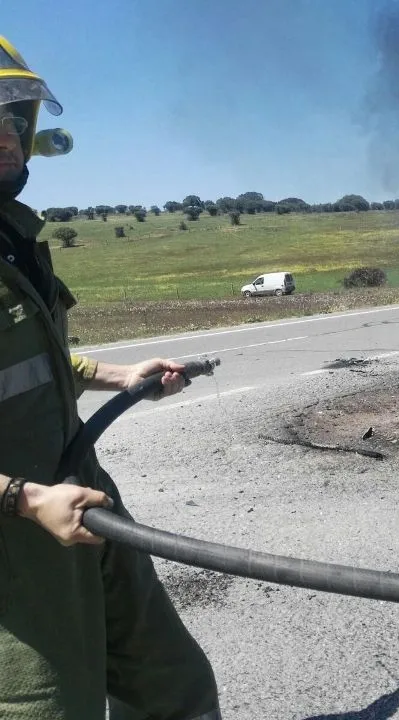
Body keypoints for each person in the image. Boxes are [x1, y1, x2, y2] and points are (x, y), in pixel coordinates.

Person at [0, 36, 221, 718]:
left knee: (171, 686)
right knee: (53, 708)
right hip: (17, 548)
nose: (5, 139)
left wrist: (124, 374)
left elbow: (32, 360)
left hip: (83, 507)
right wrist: (25, 501)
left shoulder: (13, 238)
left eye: (12, 121)